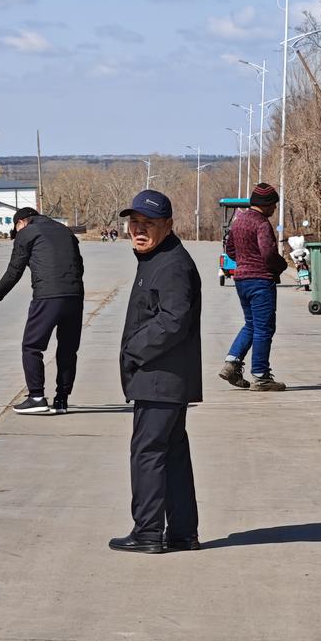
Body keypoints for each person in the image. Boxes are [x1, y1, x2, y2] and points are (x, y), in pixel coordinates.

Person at [112, 189, 202, 555]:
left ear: (168, 225)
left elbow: (173, 320)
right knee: (172, 455)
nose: (139, 229)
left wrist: (134, 349)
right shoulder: (152, 259)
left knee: (148, 453)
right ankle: (182, 533)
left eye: (148, 223)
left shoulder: (172, 264)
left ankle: (148, 532)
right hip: (159, 377)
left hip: (161, 378)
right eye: (134, 222)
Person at [0, 205, 85, 414]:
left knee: (32, 347)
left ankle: (36, 397)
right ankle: (61, 400)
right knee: (68, 349)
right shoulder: (64, 231)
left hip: (47, 296)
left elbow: (14, 270)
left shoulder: (27, 233)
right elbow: (79, 264)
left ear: (21, 223)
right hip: (75, 296)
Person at [219, 183, 288, 392]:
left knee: (251, 324)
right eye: (274, 205)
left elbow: (230, 248)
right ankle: (261, 375)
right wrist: (281, 265)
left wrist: (244, 260)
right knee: (264, 328)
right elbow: (267, 253)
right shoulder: (261, 224)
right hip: (260, 281)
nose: (275, 209)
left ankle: (231, 363)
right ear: (265, 205)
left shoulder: (239, 221)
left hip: (241, 280)